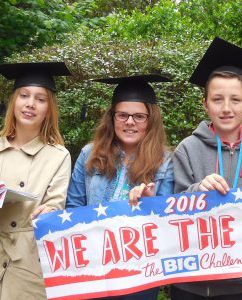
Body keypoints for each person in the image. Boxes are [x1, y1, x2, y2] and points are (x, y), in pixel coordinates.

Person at [172, 37, 242, 299]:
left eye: (235, 100)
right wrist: (197, 190)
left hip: (240, 281)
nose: (226, 108)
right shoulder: (187, 149)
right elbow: (170, 207)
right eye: (217, 99)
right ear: (205, 104)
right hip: (189, 282)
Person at [66, 74, 174, 300]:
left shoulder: (165, 161)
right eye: (122, 115)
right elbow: (74, 206)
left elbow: (168, 223)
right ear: (112, 118)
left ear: (150, 120)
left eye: (139, 116)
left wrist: (151, 202)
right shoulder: (89, 154)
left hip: (139, 273)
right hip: (93, 266)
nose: (130, 122)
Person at [0, 62, 72, 299]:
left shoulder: (58, 155)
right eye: (24, 96)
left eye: (40, 99)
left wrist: (49, 211)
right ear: (14, 102)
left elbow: (56, 204)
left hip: (26, 260)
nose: (30, 104)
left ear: (48, 109)